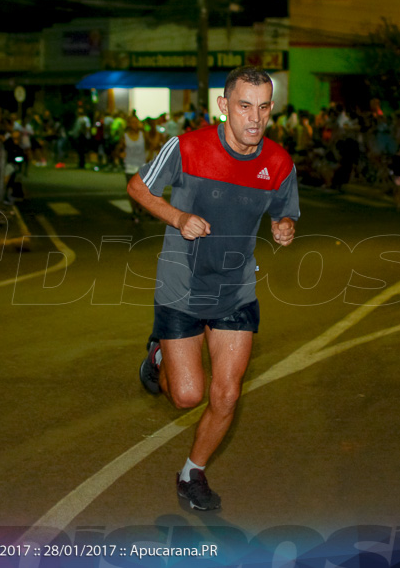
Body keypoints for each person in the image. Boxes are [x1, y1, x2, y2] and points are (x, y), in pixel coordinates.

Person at [128, 66, 299, 511]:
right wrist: (179, 219)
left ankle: (192, 473)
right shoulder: (187, 147)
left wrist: (284, 226)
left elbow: (285, 210)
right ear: (224, 106)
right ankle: (158, 352)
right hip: (182, 282)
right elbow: (138, 187)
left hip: (236, 286)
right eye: (244, 106)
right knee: (187, 395)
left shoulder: (279, 162)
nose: (255, 118)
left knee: (227, 393)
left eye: (263, 107)